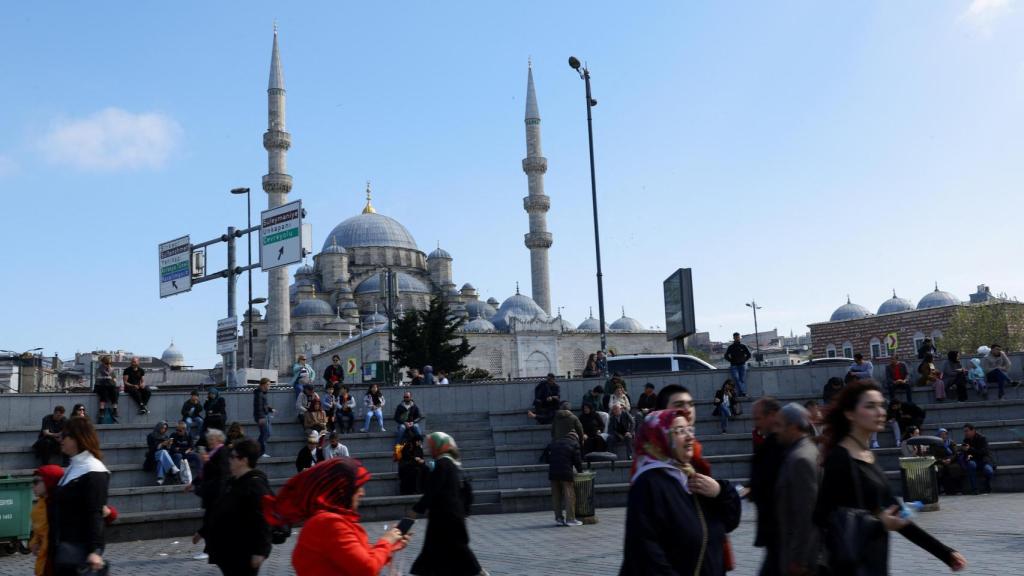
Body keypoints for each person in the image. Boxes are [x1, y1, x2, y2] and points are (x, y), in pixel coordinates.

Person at [813, 380, 966, 576]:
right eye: (870, 406)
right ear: (850, 413)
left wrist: (945, 553)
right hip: (847, 565)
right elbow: (821, 517)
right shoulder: (839, 458)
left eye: (881, 405)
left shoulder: (867, 455)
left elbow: (898, 515)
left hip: (872, 562)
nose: (880, 412)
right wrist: (879, 524)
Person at [619, 409, 741, 575]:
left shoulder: (689, 475)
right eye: (680, 431)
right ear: (659, 437)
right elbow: (645, 553)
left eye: (689, 429)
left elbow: (729, 521)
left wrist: (720, 492)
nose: (690, 436)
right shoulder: (648, 484)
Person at [264, 458, 411, 576]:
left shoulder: (326, 520)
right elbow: (366, 568)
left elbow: (351, 560)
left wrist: (390, 546)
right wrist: (386, 541)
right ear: (340, 490)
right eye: (357, 487)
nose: (362, 493)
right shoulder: (330, 523)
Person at [410, 432, 485, 575]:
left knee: (458, 549)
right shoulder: (451, 463)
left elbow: (432, 490)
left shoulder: (443, 463)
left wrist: (414, 511)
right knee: (436, 551)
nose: (429, 449)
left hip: (446, 518)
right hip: (447, 516)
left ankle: (481, 573)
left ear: (440, 446)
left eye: (432, 446)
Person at [204, 438, 273, 576]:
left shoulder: (255, 485)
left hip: (243, 551)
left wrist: (260, 551)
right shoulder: (234, 482)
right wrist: (203, 531)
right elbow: (220, 510)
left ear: (244, 460)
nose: (230, 460)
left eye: (233, 456)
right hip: (230, 550)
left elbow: (263, 519)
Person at [50, 417, 110, 576]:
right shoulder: (73, 467)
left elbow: (95, 513)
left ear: (78, 438)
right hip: (64, 548)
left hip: (79, 551)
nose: (61, 439)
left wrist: (95, 550)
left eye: (65, 436)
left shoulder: (94, 470)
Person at [775, 403, 821, 576]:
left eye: (779, 425)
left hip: (801, 559)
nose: (776, 430)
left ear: (793, 427)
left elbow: (807, 514)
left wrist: (799, 559)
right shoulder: (804, 451)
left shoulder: (800, 459)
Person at [748, 397, 785, 576]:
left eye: (758, 418)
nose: (756, 424)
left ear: (772, 415)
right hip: (775, 534)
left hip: (781, 532)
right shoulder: (773, 443)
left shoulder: (780, 445)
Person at [193, 428, 230, 561]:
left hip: (218, 492)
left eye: (212, 440)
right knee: (211, 519)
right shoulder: (213, 452)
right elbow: (205, 472)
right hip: (211, 491)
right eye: (209, 440)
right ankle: (211, 547)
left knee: (210, 519)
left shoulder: (222, 451)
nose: (209, 442)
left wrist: (207, 461)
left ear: (219, 440)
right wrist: (192, 483)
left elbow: (221, 472)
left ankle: (208, 548)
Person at [30, 464, 64, 576]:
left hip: (56, 556)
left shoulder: (59, 503)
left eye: (36, 482)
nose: (33, 486)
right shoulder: (41, 503)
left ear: (49, 481)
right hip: (45, 556)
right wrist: (35, 540)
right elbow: (39, 528)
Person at [547, 430, 583, 526]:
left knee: (556, 496)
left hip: (553, 473)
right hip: (566, 473)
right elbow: (577, 461)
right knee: (569, 495)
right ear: (576, 438)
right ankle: (570, 519)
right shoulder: (574, 444)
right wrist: (580, 471)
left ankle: (559, 519)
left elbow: (547, 458)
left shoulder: (555, 443)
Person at [961, 424, 995, 494]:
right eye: (964, 431)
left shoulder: (982, 438)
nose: (965, 433)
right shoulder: (965, 440)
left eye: (967, 431)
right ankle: (974, 489)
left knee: (989, 471)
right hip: (973, 461)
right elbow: (967, 455)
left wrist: (970, 449)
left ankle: (986, 485)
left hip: (984, 461)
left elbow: (983, 452)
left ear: (973, 430)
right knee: (971, 464)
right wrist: (965, 453)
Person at [145, 421, 181, 485]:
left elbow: (167, 450)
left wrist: (169, 445)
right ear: (158, 427)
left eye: (165, 428)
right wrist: (161, 444)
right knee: (163, 452)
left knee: (161, 458)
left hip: (163, 456)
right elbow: (151, 448)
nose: (163, 430)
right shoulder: (151, 436)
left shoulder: (165, 436)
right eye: (162, 428)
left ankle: (160, 478)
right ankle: (172, 467)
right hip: (153, 455)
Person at [935, 428, 964, 495]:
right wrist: (942, 460)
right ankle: (940, 490)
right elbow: (934, 455)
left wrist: (950, 459)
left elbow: (955, 453)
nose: (943, 436)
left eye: (944, 434)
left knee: (955, 468)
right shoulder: (935, 444)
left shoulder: (951, 443)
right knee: (938, 469)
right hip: (940, 461)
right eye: (941, 434)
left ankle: (958, 489)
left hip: (951, 461)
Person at [724, 332, 752, 397]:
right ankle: (743, 392)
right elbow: (726, 356)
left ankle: (741, 393)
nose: (737, 338)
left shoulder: (743, 346)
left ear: (739, 338)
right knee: (736, 378)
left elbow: (749, 354)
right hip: (734, 366)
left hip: (742, 365)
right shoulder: (731, 347)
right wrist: (731, 360)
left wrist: (744, 360)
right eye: (736, 337)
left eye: (738, 337)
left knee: (742, 379)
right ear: (734, 338)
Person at [93, 355, 119, 424]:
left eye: (110, 363)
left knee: (115, 390)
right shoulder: (99, 369)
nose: (108, 365)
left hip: (110, 385)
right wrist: (107, 377)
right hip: (100, 385)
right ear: (103, 363)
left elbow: (115, 379)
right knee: (104, 390)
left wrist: (111, 378)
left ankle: (115, 409)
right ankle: (101, 410)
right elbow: (97, 379)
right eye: (107, 363)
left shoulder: (112, 370)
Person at [253, 378, 275, 457]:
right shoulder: (259, 394)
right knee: (266, 433)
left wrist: (270, 409)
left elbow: (264, 405)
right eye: (268, 385)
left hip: (265, 415)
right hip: (262, 416)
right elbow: (258, 406)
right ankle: (260, 451)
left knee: (267, 433)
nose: (269, 386)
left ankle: (256, 449)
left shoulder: (262, 393)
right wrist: (261, 417)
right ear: (263, 385)